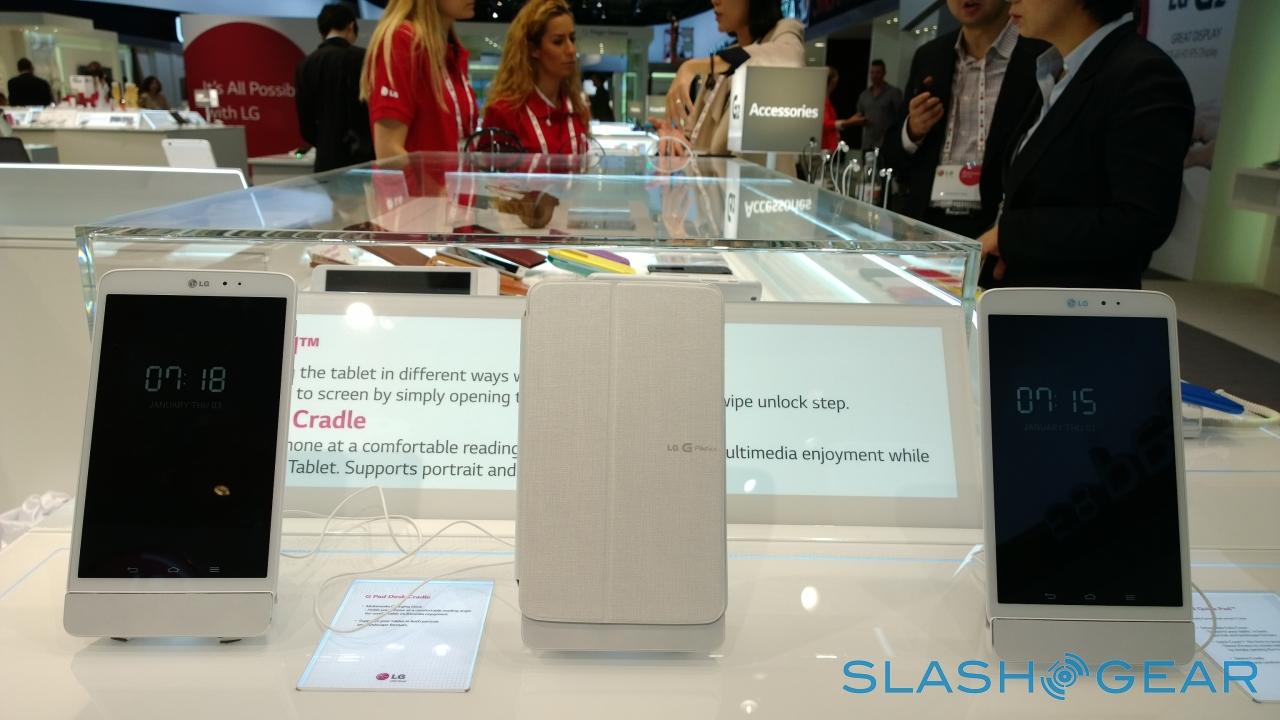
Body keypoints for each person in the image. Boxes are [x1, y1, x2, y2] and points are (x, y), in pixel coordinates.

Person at [978, 0, 1193, 289]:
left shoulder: (1143, 75)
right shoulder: (1056, 71)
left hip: (1079, 304)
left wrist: (1012, 237)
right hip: (1027, 292)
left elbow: (1141, 221)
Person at [879, 0, 1046, 238]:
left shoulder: (1041, 53)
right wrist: (913, 130)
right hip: (927, 223)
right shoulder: (930, 56)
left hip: (1001, 225)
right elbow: (892, 151)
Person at [659, 0, 804, 156]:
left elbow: (789, 56)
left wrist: (692, 66)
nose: (715, 1)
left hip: (759, 171)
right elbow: (696, 133)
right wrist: (676, 137)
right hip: (717, 171)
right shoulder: (720, 64)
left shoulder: (783, 33)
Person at [362, 0, 478, 158]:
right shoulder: (402, 41)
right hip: (421, 175)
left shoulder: (452, 52)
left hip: (452, 173)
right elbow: (388, 151)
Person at [482, 0, 590, 155]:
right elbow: (489, 169)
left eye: (572, 39)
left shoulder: (578, 109)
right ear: (533, 49)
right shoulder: (504, 113)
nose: (571, 50)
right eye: (558, 42)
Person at [296, 4, 375, 171]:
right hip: (361, 161)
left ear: (322, 31)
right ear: (351, 26)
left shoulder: (305, 65)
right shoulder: (363, 59)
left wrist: (326, 143)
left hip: (325, 162)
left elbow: (306, 125)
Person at [847, 60, 903, 150]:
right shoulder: (864, 95)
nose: (874, 76)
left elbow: (901, 116)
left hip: (886, 143)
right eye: (872, 73)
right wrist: (859, 121)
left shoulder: (894, 93)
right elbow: (859, 115)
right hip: (868, 143)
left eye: (877, 72)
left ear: (884, 73)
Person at [821, 67, 858, 151]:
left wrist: (849, 121)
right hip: (825, 146)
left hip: (829, 146)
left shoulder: (826, 99)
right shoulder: (822, 100)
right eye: (834, 83)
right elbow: (825, 124)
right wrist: (849, 122)